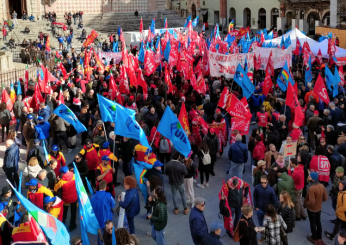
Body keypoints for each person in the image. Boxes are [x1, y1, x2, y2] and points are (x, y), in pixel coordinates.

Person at [304, 172, 328, 243]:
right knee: (318, 222)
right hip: (319, 208)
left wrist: (306, 203)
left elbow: (311, 202)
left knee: (312, 223)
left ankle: (314, 237)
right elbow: (325, 198)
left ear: (313, 179)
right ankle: (319, 236)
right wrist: (319, 202)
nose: (308, 177)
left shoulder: (312, 188)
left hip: (312, 209)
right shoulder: (321, 186)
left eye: (310, 177)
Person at [90, 180, 115, 245]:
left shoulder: (93, 197)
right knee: (109, 234)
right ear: (105, 187)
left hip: (97, 220)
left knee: (100, 235)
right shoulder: (108, 195)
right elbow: (113, 205)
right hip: (107, 219)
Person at [54, 166, 78, 231]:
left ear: (62, 173)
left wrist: (57, 181)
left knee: (64, 213)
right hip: (74, 198)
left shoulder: (61, 181)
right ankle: (72, 225)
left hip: (66, 199)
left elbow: (55, 189)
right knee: (73, 213)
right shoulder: (74, 176)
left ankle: (63, 225)